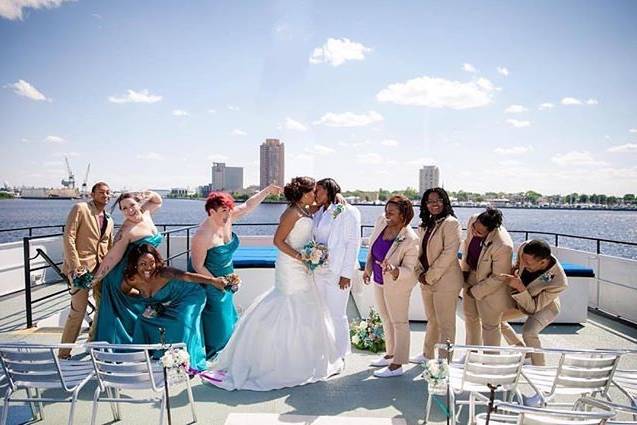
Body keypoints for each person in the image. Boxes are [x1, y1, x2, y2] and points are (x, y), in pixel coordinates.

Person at [201, 177, 342, 391]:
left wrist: (337, 200)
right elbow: (277, 241)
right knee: (287, 302)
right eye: (313, 191)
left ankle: (304, 356)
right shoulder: (291, 213)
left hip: (302, 265)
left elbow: (321, 205)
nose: (316, 194)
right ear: (304, 193)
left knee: (305, 304)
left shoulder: (305, 209)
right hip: (290, 264)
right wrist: (300, 256)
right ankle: (275, 361)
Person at [188, 184, 282, 359]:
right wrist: (217, 282)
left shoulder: (228, 218)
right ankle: (217, 351)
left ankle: (231, 349)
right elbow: (198, 266)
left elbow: (248, 205)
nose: (227, 214)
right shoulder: (202, 236)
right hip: (208, 281)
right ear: (211, 212)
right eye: (223, 211)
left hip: (227, 278)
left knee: (228, 316)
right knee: (219, 320)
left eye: (228, 210)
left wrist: (267, 190)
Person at [122, 244, 228, 371]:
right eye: (143, 264)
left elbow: (188, 276)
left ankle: (185, 363)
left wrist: (213, 281)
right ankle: (146, 356)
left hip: (190, 295)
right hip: (168, 303)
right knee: (143, 320)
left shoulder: (164, 273)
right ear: (135, 265)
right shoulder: (131, 279)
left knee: (183, 322)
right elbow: (125, 291)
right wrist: (147, 300)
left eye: (152, 263)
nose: (148, 267)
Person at [93, 191, 164, 344]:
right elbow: (112, 257)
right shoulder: (126, 230)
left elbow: (157, 200)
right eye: (124, 209)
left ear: (139, 203)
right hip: (124, 275)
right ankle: (130, 347)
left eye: (132, 205)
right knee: (128, 314)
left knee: (144, 308)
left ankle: (144, 342)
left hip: (143, 271)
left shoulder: (146, 212)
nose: (129, 210)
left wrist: (145, 193)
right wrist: (95, 279)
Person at [363, 195, 419, 378]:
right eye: (386, 211)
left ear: (403, 215)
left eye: (391, 213)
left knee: (400, 323)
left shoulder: (410, 238)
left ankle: (398, 364)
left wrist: (394, 270)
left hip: (397, 285)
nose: (386, 215)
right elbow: (372, 247)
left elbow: (410, 271)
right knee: (386, 319)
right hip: (379, 281)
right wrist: (368, 268)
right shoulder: (382, 222)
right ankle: (389, 355)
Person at [58, 182, 114, 359]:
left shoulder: (110, 219)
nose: (105, 195)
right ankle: (64, 353)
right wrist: (76, 267)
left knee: (102, 308)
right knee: (78, 311)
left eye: (108, 193)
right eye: (101, 192)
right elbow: (69, 237)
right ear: (92, 194)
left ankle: (91, 344)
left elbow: (109, 245)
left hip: (101, 271)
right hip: (81, 269)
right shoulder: (80, 208)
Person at [410, 188, 464, 363]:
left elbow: (449, 254)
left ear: (445, 202)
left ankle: (444, 362)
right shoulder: (425, 225)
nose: (434, 204)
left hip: (446, 282)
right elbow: (419, 251)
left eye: (438, 200)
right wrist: (419, 273)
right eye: (430, 201)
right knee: (432, 320)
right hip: (426, 280)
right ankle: (427, 355)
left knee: (446, 324)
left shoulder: (451, 223)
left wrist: (429, 276)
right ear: (425, 205)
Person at [312, 178, 362, 360]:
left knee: (337, 314)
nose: (315, 194)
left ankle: (341, 353)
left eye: (319, 190)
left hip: (338, 271)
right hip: (318, 270)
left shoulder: (349, 211)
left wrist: (346, 274)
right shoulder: (318, 212)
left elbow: (352, 243)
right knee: (321, 311)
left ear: (329, 191)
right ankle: (325, 349)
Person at [499, 239, 568, 366]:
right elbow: (519, 264)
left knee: (529, 332)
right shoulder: (525, 247)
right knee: (493, 318)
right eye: (523, 259)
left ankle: (539, 367)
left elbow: (533, 308)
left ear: (543, 262)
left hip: (545, 306)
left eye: (528, 263)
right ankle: (522, 351)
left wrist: (520, 287)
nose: (524, 264)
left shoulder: (559, 282)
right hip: (521, 299)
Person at [460, 207, 515, 347]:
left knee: (490, 325)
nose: (474, 232)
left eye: (479, 232)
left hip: (491, 286)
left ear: (490, 231)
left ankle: (490, 360)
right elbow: (467, 244)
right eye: (474, 228)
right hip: (471, 276)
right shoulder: (473, 220)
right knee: (470, 318)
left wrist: (475, 291)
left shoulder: (503, 245)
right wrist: (464, 274)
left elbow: (499, 277)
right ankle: (471, 353)